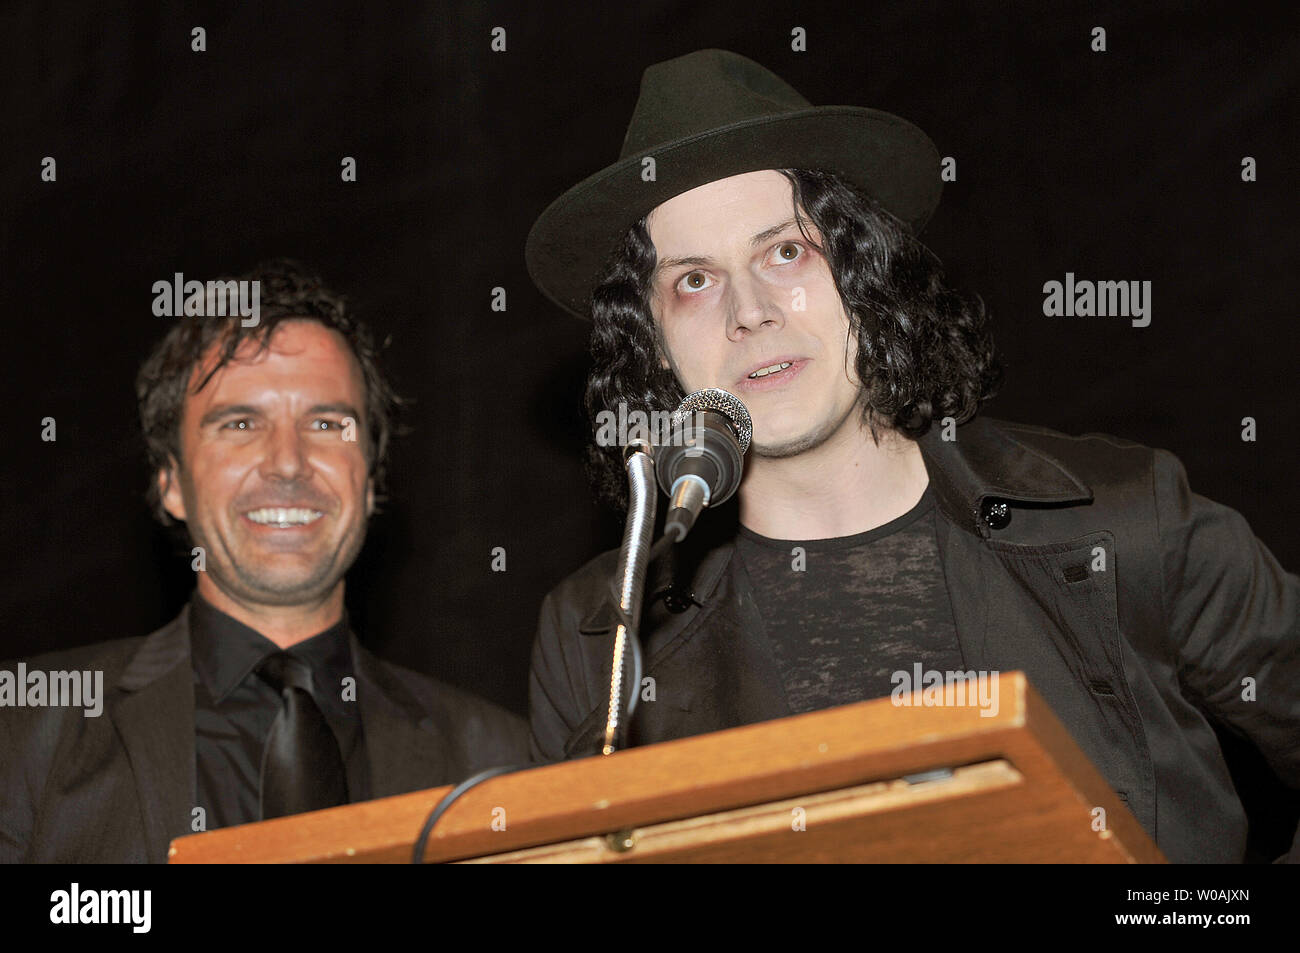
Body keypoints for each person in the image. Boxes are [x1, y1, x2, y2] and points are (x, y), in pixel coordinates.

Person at [523, 49, 1300, 863]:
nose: (749, 311)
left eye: (786, 251)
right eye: (693, 280)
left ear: (867, 270)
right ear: (650, 344)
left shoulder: (1127, 520)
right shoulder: (596, 642)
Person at [0, 261, 529, 863]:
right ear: (171, 482)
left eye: (327, 423)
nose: (287, 462)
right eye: (241, 423)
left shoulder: (500, 762)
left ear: (372, 480)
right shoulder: (21, 735)